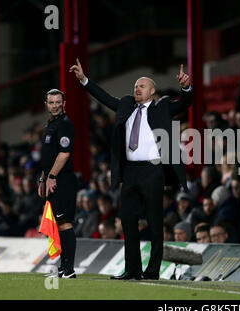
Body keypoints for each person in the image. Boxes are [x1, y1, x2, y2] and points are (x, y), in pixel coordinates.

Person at [70, 59, 193, 281]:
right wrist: (84, 80)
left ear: (152, 91)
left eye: (142, 86)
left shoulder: (162, 106)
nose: (137, 88)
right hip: (130, 171)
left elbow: (184, 103)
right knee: (128, 221)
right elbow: (105, 97)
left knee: (155, 222)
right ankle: (132, 270)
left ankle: (152, 271)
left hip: (153, 170)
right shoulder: (126, 105)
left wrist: (186, 87)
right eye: (136, 86)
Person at [37, 89, 78, 279]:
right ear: (46, 104)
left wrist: (51, 177)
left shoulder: (65, 125)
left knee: (64, 222)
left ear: (64, 103)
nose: (55, 106)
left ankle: (69, 269)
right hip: (53, 178)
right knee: (59, 223)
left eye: (58, 102)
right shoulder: (51, 125)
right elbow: (50, 156)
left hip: (63, 180)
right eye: (51, 102)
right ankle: (64, 267)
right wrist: (42, 179)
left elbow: (64, 153)